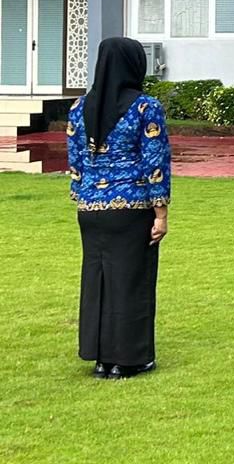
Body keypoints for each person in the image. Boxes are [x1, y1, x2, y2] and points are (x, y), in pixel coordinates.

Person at [66, 37, 171, 380]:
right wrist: (161, 212)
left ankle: (100, 357)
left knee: (98, 280)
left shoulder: (80, 107)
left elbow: (76, 159)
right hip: (131, 206)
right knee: (131, 281)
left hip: (90, 209)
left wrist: (82, 195)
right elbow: (155, 160)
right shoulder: (145, 107)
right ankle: (128, 359)